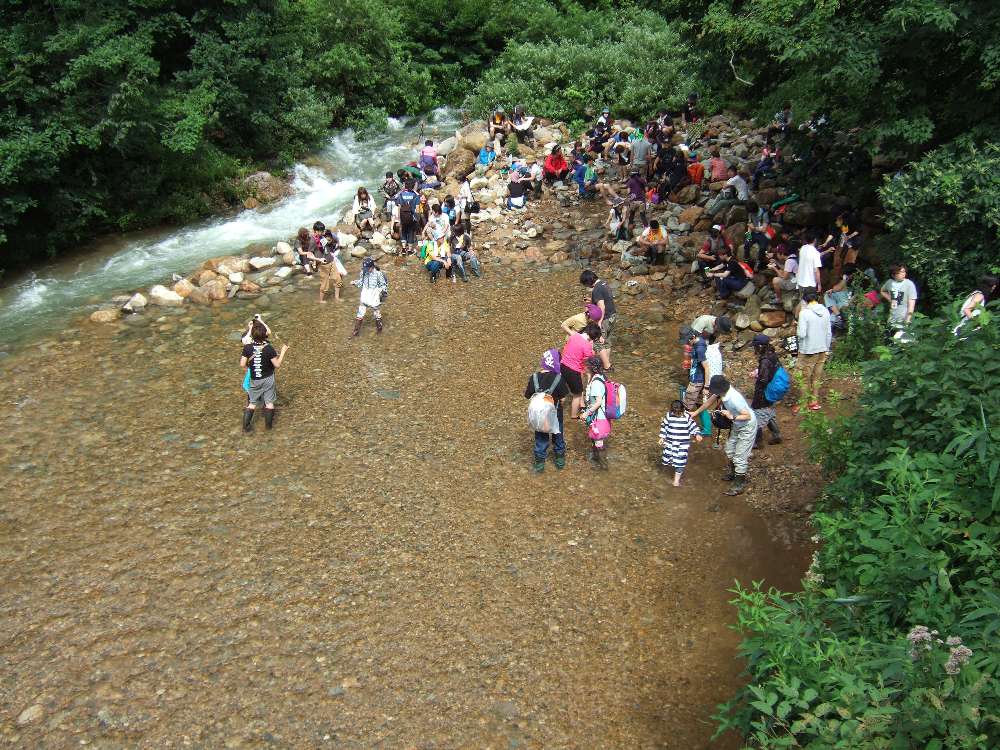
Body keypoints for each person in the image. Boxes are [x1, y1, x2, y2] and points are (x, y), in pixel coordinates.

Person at [691, 375, 757, 496]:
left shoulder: (734, 398)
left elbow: (747, 415)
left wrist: (731, 416)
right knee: (729, 449)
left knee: (739, 457)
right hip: (737, 425)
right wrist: (695, 413)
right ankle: (733, 473)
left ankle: (739, 484)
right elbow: (709, 402)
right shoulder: (722, 392)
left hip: (747, 426)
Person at [525, 348, 570, 473]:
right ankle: (560, 460)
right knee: (558, 434)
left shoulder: (533, 377)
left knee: (540, 437)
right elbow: (563, 399)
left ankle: (540, 465)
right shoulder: (558, 379)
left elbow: (528, 395)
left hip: (539, 415)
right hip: (555, 413)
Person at [240, 320, 289, 431]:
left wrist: (251, 368)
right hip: (268, 379)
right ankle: (268, 428)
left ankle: (246, 427)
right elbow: (277, 365)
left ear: (252, 335)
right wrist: (283, 351)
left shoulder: (247, 348)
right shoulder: (269, 348)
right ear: (265, 335)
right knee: (269, 403)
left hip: (254, 379)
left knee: (252, 404)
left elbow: (242, 364)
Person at [796, 290, 832, 411]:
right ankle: (814, 401)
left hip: (808, 350)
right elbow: (828, 332)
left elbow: (801, 334)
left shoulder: (804, 313)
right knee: (816, 377)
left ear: (805, 300)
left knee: (804, 378)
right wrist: (827, 348)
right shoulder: (825, 311)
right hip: (822, 349)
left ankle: (803, 404)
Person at [560, 322, 600, 419]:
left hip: (562, 365)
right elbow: (590, 359)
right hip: (573, 371)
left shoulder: (574, 336)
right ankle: (574, 416)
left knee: (561, 390)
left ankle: (557, 407)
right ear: (593, 338)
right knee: (577, 395)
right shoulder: (587, 345)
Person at [749, 334, 783, 447]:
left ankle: (757, 442)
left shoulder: (764, 360)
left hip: (764, 391)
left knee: (756, 412)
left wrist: (757, 380)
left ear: (760, 346)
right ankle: (776, 434)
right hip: (773, 389)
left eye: (755, 347)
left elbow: (763, 379)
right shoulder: (772, 355)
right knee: (767, 410)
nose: (754, 349)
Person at [659, 399, 702, 486]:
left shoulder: (686, 416)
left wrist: (697, 434)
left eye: (680, 413)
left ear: (683, 410)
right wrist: (662, 437)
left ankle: (676, 480)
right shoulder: (669, 415)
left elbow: (693, 426)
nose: (678, 415)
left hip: (682, 445)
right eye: (676, 413)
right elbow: (664, 426)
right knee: (668, 458)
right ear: (671, 411)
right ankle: (670, 467)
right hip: (670, 443)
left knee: (680, 462)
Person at [580, 269, 617, 370]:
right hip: (612, 316)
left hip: (605, 318)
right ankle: (606, 361)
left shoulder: (596, 289)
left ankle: (607, 366)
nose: (587, 287)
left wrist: (599, 323)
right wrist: (591, 300)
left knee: (597, 342)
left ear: (588, 281)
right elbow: (604, 299)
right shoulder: (603, 283)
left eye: (586, 284)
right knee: (606, 340)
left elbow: (602, 307)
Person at [579, 355, 611, 470]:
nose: (584, 367)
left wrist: (586, 413)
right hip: (597, 418)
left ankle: (604, 468)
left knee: (599, 443)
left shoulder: (597, 383)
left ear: (591, 368)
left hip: (600, 419)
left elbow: (597, 402)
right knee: (595, 441)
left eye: (586, 366)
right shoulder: (597, 377)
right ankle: (597, 460)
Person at [350, 257, 388, 337]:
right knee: (360, 312)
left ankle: (379, 330)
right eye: (365, 268)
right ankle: (355, 332)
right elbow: (361, 282)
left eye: (367, 269)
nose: (366, 270)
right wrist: (355, 282)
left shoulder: (378, 274)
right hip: (365, 294)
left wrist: (383, 293)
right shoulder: (363, 272)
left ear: (372, 267)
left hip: (374, 295)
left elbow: (384, 285)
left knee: (376, 312)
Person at [880, 264, 918, 332]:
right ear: (893, 275)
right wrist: (890, 299)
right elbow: (882, 291)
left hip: (903, 322)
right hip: (891, 320)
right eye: (900, 272)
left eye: (904, 272)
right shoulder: (889, 282)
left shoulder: (909, 284)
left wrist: (908, 320)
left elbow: (911, 304)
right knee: (888, 340)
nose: (903, 274)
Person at [316, 230, 345, 304]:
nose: (328, 240)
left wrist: (337, 246)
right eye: (327, 239)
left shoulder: (333, 240)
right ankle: (321, 300)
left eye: (330, 239)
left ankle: (337, 298)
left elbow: (337, 243)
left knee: (338, 279)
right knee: (325, 283)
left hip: (332, 262)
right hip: (323, 265)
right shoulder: (320, 242)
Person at [395, 181, 420, 255]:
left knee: (403, 231)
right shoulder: (415, 196)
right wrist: (417, 218)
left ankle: (403, 249)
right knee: (411, 232)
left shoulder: (401, 195)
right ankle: (409, 250)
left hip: (403, 216)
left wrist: (399, 218)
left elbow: (399, 207)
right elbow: (417, 208)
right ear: (412, 187)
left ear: (405, 186)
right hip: (412, 217)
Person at [796, 230, 823, 297]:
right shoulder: (815, 253)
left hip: (800, 282)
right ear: (815, 240)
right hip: (810, 284)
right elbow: (816, 271)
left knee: (803, 303)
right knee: (810, 305)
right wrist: (819, 284)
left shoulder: (802, 248)